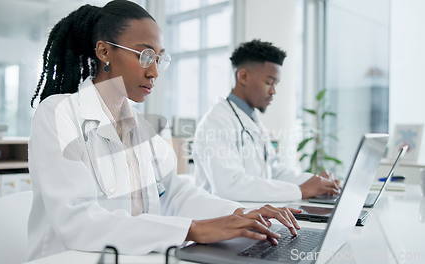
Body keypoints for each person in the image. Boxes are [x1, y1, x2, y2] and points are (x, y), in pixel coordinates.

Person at [27, 1, 301, 261]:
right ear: (104, 52)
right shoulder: (59, 113)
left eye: (159, 58)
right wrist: (192, 229)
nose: (154, 72)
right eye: (145, 56)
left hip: (137, 256)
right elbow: (78, 222)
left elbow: (173, 192)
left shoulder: (139, 124)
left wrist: (241, 214)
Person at [193, 39, 340, 202]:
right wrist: (300, 190)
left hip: (252, 216)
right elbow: (229, 185)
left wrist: (314, 181)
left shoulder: (251, 119)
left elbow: (273, 172)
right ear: (243, 76)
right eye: (269, 82)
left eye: (275, 84)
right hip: (221, 220)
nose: (273, 91)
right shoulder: (216, 122)